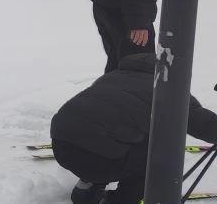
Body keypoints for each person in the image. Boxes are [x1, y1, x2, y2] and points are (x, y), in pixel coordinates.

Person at [51, 52, 217, 204]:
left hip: (61, 145)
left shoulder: (113, 76)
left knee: (112, 132)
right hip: (101, 157)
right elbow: (203, 124)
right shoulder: (167, 89)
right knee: (159, 159)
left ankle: (87, 188)